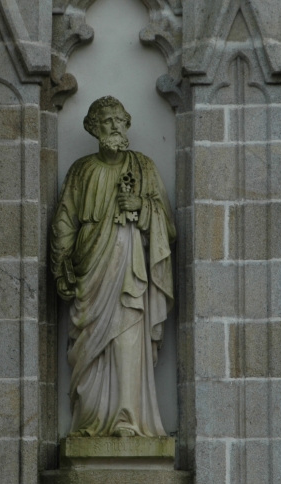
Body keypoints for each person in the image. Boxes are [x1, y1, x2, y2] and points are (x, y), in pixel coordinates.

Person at [51, 95, 176, 438]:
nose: (114, 126)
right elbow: (65, 220)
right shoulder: (81, 170)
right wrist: (62, 264)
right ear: (93, 128)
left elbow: (168, 224)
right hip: (91, 269)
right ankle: (90, 420)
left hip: (130, 270)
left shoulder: (144, 168)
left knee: (127, 337)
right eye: (106, 121)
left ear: (128, 123)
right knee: (89, 344)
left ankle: (128, 418)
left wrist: (141, 207)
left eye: (119, 120)